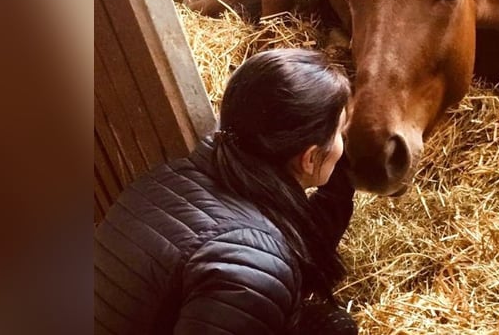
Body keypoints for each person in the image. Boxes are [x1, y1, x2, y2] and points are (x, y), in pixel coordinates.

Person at [94, 48, 358, 334]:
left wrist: (340, 182)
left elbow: (299, 244)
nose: (342, 143)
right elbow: (253, 270)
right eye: (340, 134)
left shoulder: (171, 177)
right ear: (309, 158)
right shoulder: (253, 267)